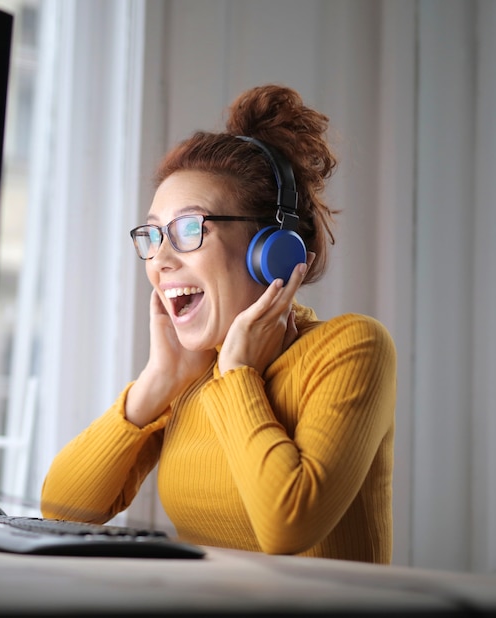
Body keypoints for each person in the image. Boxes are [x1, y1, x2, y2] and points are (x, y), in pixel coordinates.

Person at [40, 84, 397, 563]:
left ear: (272, 251)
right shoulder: (191, 372)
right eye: (152, 234)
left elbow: (287, 527)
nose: (159, 259)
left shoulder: (352, 347)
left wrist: (237, 375)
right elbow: (60, 512)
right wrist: (158, 381)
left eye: (190, 229)